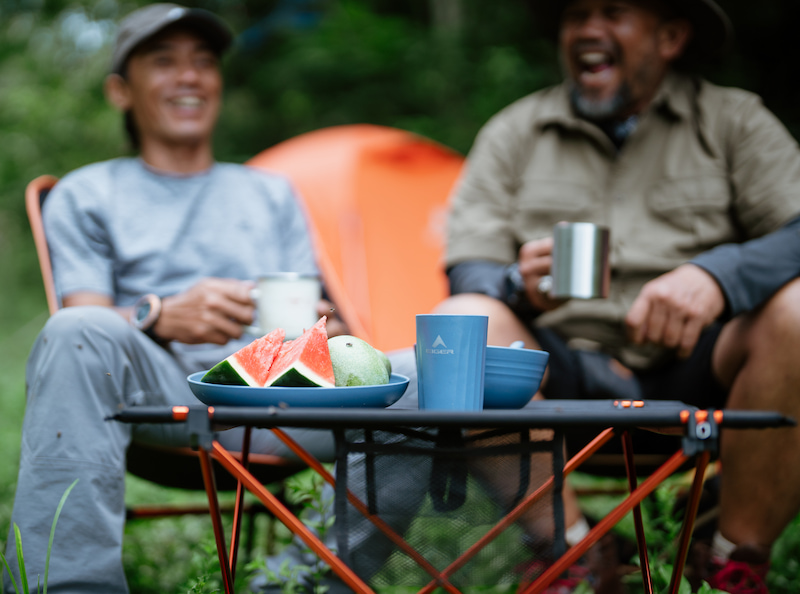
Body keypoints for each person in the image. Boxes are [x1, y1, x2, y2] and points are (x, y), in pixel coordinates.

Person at [1, 4, 419, 593]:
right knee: (76, 332)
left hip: (281, 404)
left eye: (204, 61)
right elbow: (83, 316)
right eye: (164, 61)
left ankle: (292, 586)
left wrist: (319, 329)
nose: (190, 76)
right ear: (121, 90)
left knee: (421, 374)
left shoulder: (271, 193)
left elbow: (318, 314)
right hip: (162, 394)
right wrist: (160, 315)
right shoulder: (86, 193)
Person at [439, 0, 800, 592]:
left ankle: (735, 562)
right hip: (561, 377)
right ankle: (573, 555)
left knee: (798, 309)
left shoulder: (735, 120)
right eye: (574, 14)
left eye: (611, 11)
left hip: (701, 371)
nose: (587, 30)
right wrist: (512, 288)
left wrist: (718, 277)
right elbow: (467, 271)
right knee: (465, 321)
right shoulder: (514, 131)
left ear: (671, 35)